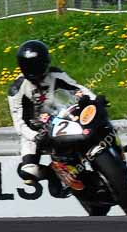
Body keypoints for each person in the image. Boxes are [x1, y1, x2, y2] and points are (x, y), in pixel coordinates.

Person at [8, 39, 97, 196]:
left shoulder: (56, 74)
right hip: (34, 133)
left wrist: (94, 99)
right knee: (28, 171)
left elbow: (77, 88)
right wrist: (35, 136)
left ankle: (97, 156)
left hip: (59, 120)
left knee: (88, 129)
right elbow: (19, 123)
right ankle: (52, 174)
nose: (38, 76)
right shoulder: (16, 89)